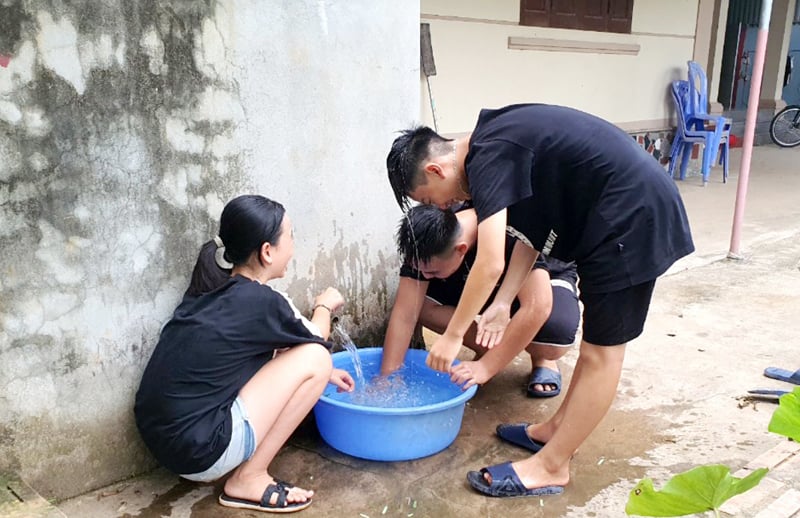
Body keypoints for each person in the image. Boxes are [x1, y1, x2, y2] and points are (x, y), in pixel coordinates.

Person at [385, 104, 694, 498]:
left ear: (435, 170)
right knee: (594, 348)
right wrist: (503, 302)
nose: (440, 208)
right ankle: (553, 432)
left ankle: (551, 466)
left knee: (604, 353)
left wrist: (453, 336)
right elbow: (534, 231)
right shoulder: (495, 143)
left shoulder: (487, 157)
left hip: (630, 216)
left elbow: (490, 261)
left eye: (429, 199)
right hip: (616, 210)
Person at [134, 194, 354, 513]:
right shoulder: (262, 302)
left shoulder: (209, 284)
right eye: (290, 237)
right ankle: (248, 479)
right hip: (202, 452)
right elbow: (316, 338)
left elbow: (247, 356)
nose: (292, 245)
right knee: (318, 358)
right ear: (267, 251)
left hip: (164, 441)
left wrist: (322, 375)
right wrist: (325, 304)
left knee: (309, 361)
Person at [380, 204, 579, 398]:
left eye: (432, 271)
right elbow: (405, 314)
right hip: (484, 281)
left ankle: (541, 359)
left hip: (543, 277)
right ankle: (490, 348)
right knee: (418, 304)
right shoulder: (425, 241)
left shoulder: (508, 232)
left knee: (552, 338)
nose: (424, 276)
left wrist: (486, 368)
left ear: (461, 249)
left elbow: (537, 306)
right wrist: (388, 377)